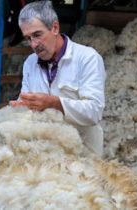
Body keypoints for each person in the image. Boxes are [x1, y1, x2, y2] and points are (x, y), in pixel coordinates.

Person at [10, 0, 106, 156]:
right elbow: (28, 104)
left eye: (37, 35)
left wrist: (54, 103)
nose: (34, 44)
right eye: (28, 38)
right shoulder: (30, 63)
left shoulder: (87, 58)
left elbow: (94, 112)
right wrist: (21, 106)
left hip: (83, 154)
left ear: (55, 28)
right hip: (46, 154)